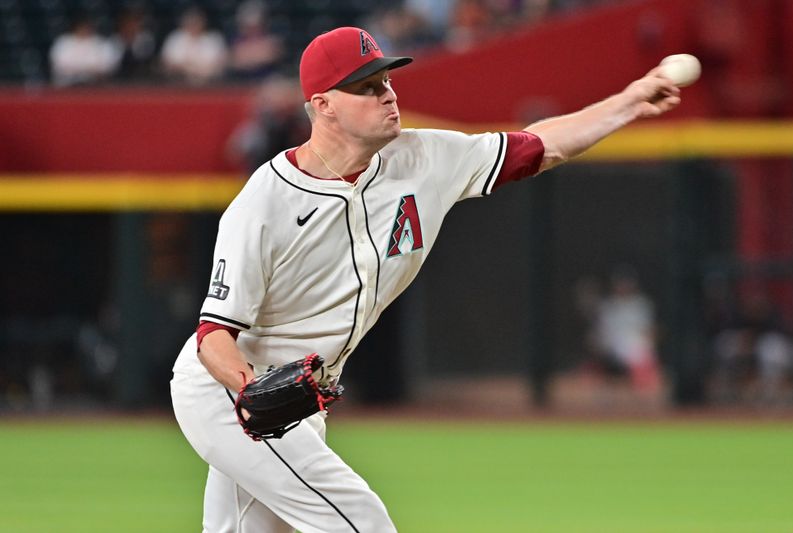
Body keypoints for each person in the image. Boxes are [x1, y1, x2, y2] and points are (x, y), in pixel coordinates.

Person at [170, 26, 681, 532]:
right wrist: (252, 393)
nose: (388, 96)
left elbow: (540, 147)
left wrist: (630, 101)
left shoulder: (423, 158)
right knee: (361, 522)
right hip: (229, 395)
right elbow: (214, 336)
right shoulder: (266, 200)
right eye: (367, 88)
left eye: (387, 82)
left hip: (296, 405)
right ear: (323, 105)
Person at [160, 6, 227, 85]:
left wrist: (193, 69)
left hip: (210, 84)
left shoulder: (213, 39)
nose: (194, 25)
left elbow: (219, 65)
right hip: (178, 84)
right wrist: (191, 70)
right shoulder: (175, 38)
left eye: (196, 22)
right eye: (191, 22)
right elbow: (168, 64)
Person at [49, 15, 119, 86]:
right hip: (67, 84)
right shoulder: (63, 42)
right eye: (81, 27)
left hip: (96, 84)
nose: (84, 30)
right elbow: (59, 65)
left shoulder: (101, 42)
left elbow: (107, 66)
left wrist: (81, 69)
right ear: (75, 27)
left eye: (86, 27)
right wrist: (86, 69)